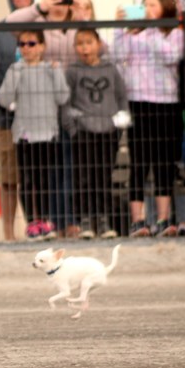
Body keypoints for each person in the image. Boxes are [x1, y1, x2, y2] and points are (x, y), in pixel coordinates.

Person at [7, 0, 79, 238]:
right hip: (41, 110)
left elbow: (100, 48)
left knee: (70, 167)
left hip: (72, 105)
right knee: (45, 171)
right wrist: (40, 7)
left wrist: (83, 15)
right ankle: (49, 223)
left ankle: (68, 220)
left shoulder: (77, 24)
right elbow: (9, 24)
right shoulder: (37, 22)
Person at [115, 0, 184, 237]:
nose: (147, 9)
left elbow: (170, 56)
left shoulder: (174, 34)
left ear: (164, 8)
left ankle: (164, 219)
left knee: (164, 162)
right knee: (140, 162)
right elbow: (118, 56)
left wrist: (152, 29)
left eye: (152, 5)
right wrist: (120, 28)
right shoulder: (133, 35)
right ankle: (138, 220)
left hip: (167, 104)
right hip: (139, 102)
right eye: (144, 5)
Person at [0, 29, 70, 240]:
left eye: (31, 43)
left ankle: (46, 220)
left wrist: (57, 72)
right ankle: (32, 222)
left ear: (42, 46)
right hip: (24, 134)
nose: (27, 48)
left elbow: (63, 96)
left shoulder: (51, 69)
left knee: (45, 179)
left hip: (47, 133)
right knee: (27, 180)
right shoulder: (15, 69)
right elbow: (4, 98)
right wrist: (16, 73)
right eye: (22, 44)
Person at [63, 28, 128, 239]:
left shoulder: (110, 69)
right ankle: (84, 220)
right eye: (80, 43)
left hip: (108, 132)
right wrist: (73, 130)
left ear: (98, 44)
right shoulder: (72, 71)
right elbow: (66, 102)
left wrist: (119, 124)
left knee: (104, 176)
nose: (85, 48)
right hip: (83, 132)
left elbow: (121, 96)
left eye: (89, 42)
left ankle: (103, 220)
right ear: (74, 48)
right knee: (83, 177)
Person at [0, 0, 32, 242]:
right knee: (9, 177)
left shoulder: (42, 27)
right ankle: (8, 233)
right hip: (5, 117)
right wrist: (2, 98)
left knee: (35, 175)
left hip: (39, 117)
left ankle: (38, 226)